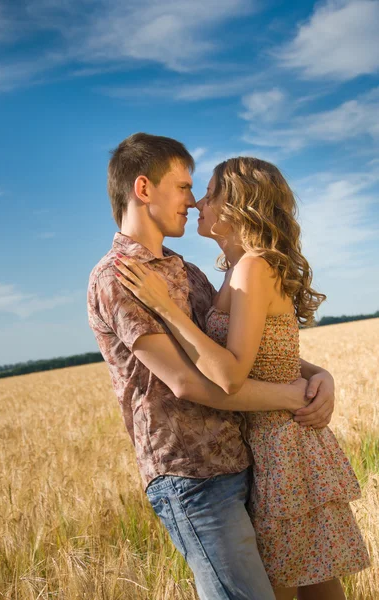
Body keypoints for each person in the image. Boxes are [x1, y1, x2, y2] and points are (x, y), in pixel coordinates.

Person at [88, 133, 337, 600]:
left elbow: (256, 350)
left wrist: (317, 376)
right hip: (192, 477)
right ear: (144, 189)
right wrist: (290, 396)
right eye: (184, 187)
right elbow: (187, 381)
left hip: (247, 461)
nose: (194, 199)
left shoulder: (190, 272)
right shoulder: (118, 277)